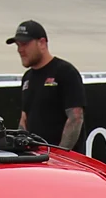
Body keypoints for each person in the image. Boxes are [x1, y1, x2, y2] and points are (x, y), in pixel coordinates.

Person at [7, 21, 85, 150]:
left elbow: (76, 117)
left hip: (64, 164)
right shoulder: (27, 78)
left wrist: (60, 155)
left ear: (42, 43)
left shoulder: (65, 72)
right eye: (18, 45)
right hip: (36, 160)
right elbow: (24, 119)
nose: (20, 50)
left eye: (25, 44)